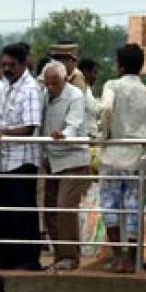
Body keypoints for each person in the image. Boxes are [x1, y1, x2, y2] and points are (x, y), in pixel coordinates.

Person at [98, 43, 146, 273]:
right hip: (137, 156)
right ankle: (133, 257)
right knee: (134, 209)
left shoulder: (112, 85)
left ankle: (118, 257)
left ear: (119, 65)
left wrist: (102, 135)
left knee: (110, 206)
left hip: (112, 154)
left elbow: (105, 110)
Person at [0, 43, 43, 271]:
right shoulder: (6, 86)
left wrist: (2, 134)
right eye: (4, 64)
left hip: (22, 161)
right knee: (6, 212)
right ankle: (8, 258)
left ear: (22, 64)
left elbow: (30, 127)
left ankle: (28, 260)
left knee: (23, 213)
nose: (7, 68)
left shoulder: (29, 88)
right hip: (5, 160)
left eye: (12, 65)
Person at [39, 60, 91, 271]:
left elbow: (75, 123)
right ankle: (59, 254)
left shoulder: (75, 96)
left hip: (73, 158)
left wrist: (65, 135)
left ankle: (71, 256)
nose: (51, 88)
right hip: (51, 159)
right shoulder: (43, 95)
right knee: (50, 209)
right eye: (48, 84)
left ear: (64, 80)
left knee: (64, 207)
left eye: (55, 84)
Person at [78, 57, 102, 139]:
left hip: (91, 138)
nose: (96, 77)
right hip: (85, 137)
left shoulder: (88, 90)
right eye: (94, 73)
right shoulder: (82, 90)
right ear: (85, 72)